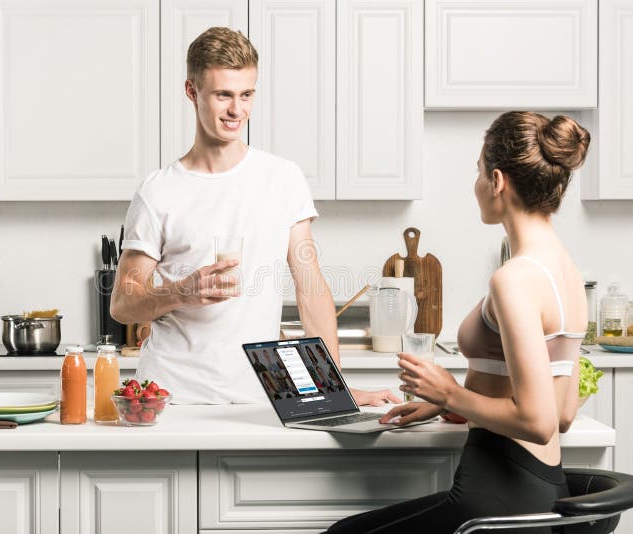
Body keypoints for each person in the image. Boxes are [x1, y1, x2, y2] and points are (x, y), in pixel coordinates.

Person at [324, 111, 591, 534]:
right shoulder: (567, 272)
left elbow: (538, 422)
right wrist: (446, 402)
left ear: (498, 181)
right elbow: (563, 414)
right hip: (539, 487)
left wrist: (448, 392)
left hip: (495, 498)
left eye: (479, 172)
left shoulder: (515, 279)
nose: (476, 185)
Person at [111, 27, 399, 406]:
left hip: (260, 395)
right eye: (223, 95)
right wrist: (182, 292)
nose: (237, 110)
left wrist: (335, 387)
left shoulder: (283, 179)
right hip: (170, 396)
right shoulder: (158, 191)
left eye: (247, 95)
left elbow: (310, 287)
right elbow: (122, 303)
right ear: (192, 92)